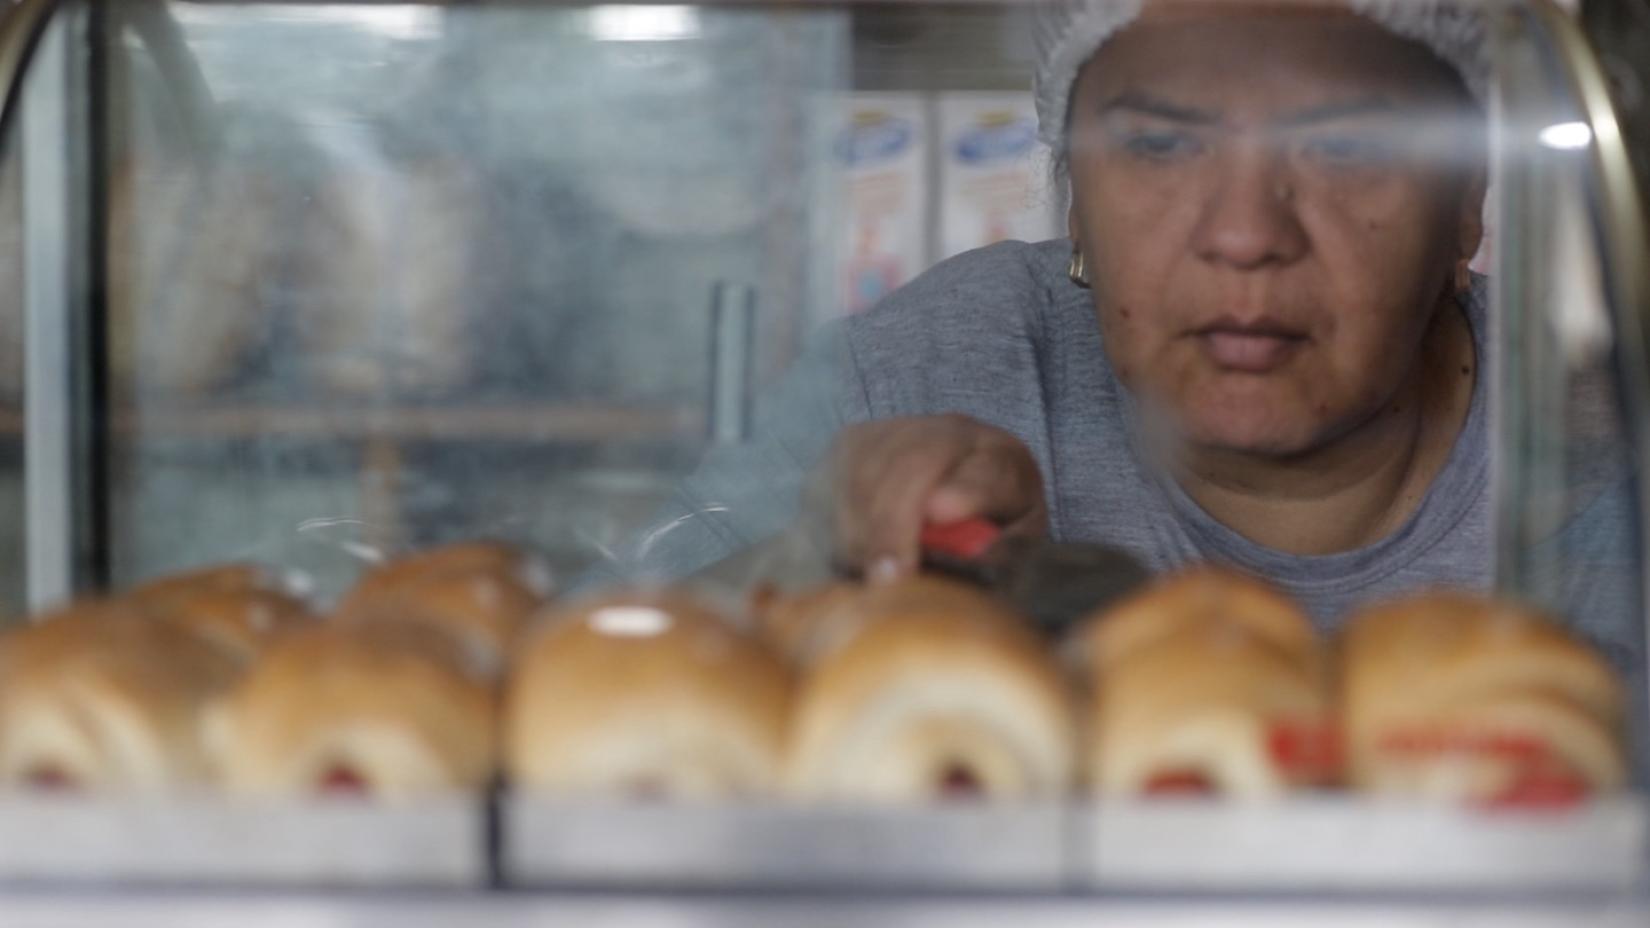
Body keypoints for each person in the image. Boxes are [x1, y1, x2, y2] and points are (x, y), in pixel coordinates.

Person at [588, 0, 1641, 673]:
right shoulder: (921, 374)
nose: (1245, 235)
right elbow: (596, 668)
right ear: (1076, 203)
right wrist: (825, 553)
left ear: (1467, 207)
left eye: (1347, 144)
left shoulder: (1608, 440)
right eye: (1160, 144)